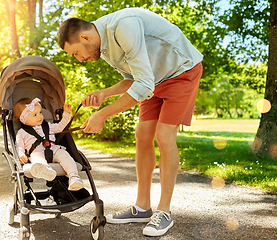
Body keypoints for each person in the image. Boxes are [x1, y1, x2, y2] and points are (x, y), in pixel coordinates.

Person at [58, 7, 203, 236]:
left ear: (85, 37)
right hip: (154, 79)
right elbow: (134, 79)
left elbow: (143, 85)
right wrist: (105, 93)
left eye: (76, 53)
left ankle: (164, 212)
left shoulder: (123, 26)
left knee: (164, 135)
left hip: (181, 71)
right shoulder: (102, 48)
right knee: (142, 135)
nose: (80, 60)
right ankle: (142, 207)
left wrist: (102, 114)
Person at [13, 97, 84, 191]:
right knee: (37, 157)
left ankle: (74, 177)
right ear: (24, 119)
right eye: (35, 115)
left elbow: (60, 127)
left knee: (64, 154)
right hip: (36, 152)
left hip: (54, 150)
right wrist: (21, 154)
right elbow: (19, 145)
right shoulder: (22, 132)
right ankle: (45, 170)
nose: (40, 116)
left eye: (40, 113)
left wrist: (66, 114)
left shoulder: (47, 126)